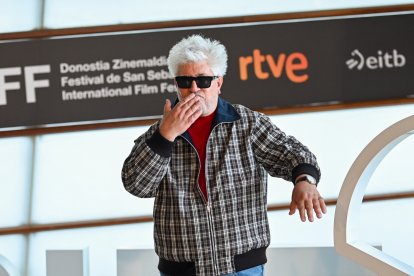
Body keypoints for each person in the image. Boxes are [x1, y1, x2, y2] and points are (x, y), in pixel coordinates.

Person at [122, 34, 327, 276]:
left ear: (219, 82)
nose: (194, 89)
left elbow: (294, 153)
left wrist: (305, 181)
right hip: (182, 270)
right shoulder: (159, 133)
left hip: (241, 268)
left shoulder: (247, 123)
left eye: (203, 80)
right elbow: (136, 185)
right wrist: (166, 135)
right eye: (185, 81)